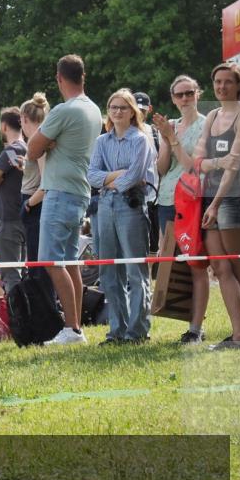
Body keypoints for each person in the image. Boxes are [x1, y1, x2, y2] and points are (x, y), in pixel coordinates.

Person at [27, 54, 103, 345]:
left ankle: (71, 328)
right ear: (83, 76)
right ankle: (75, 328)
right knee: (70, 262)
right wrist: (51, 141)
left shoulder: (63, 110)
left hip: (59, 192)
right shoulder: (94, 109)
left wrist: (48, 141)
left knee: (50, 260)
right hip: (80, 191)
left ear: (59, 78)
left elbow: (32, 151)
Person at [86, 89, 157, 344]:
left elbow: (134, 176)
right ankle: (117, 330)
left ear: (132, 112)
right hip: (105, 206)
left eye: (123, 107)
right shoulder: (101, 141)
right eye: (113, 107)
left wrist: (109, 180)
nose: (117, 111)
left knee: (135, 270)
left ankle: (137, 331)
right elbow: (91, 176)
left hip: (131, 205)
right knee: (108, 271)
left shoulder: (140, 139)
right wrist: (116, 175)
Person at [150, 75, 209, 343]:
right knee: (172, 265)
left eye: (189, 93)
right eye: (179, 95)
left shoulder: (206, 125)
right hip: (166, 199)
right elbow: (162, 169)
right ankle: (183, 319)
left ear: (198, 94)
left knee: (196, 264)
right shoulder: (171, 125)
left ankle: (196, 328)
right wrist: (166, 138)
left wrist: (172, 138)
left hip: (191, 199)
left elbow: (190, 167)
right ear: (173, 99)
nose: (184, 99)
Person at [197, 62, 240, 349]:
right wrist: (215, 162)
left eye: (228, 81)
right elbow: (199, 161)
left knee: (237, 266)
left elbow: (234, 165)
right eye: (217, 81)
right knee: (220, 268)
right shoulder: (212, 115)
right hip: (209, 198)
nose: (221, 86)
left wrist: (216, 204)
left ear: (238, 85)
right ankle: (238, 334)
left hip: (232, 197)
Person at [0, 107, 27, 292]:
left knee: (11, 275)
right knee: (23, 273)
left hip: (8, 219)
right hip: (25, 216)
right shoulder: (27, 148)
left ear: (4, 126)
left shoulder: (12, 149)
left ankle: (17, 310)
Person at [19, 93, 50, 261]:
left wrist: (28, 204)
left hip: (35, 203)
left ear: (24, 119)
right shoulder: (37, 139)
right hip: (33, 201)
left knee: (36, 259)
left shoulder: (37, 141)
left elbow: (47, 182)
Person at [133, 91, 161, 253]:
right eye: (136, 109)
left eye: (142, 110)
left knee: (153, 247)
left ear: (149, 109)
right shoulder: (119, 132)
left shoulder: (155, 133)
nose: (139, 113)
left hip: (153, 198)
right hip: (130, 198)